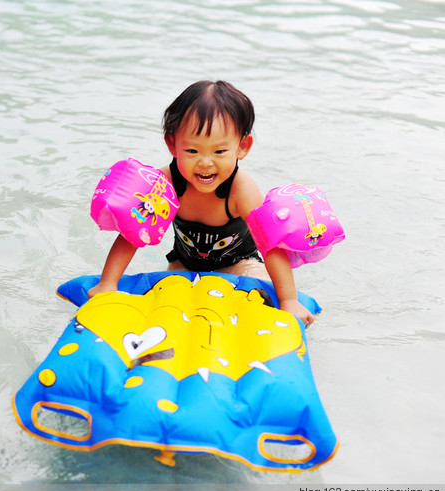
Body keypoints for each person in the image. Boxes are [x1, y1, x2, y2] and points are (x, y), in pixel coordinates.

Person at [87, 80, 315, 326]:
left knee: (260, 297)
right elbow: (135, 234)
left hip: (240, 265)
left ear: (242, 147)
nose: (205, 163)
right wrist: (107, 284)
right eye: (193, 151)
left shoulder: (241, 189)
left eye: (219, 152)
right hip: (183, 264)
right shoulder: (165, 183)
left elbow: (270, 246)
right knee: (166, 313)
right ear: (172, 144)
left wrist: (289, 300)